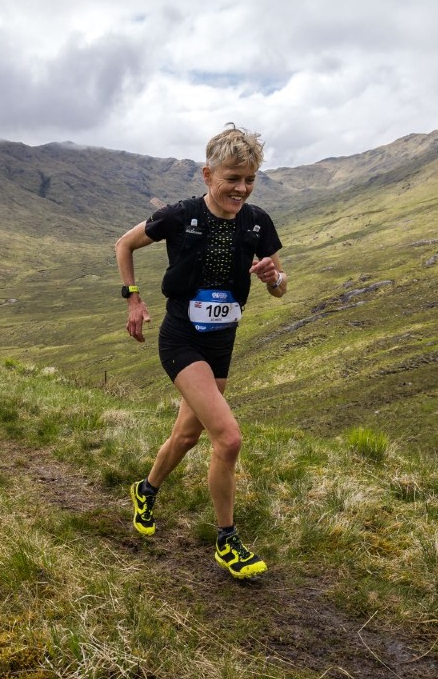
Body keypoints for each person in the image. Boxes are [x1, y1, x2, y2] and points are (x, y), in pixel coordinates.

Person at [114, 123, 287, 579]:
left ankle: (145, 491)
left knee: (188, 436)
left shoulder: (257, 222)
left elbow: (280, 288)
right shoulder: (181, 214)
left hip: (221, 343)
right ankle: (227, 542)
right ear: (208, 174)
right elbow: (124, 244)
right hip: (181, 339)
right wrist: (133, 298)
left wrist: (274, 280)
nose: (242, 188)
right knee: (228, 438)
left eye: (249, 179)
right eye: (232, 178)